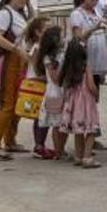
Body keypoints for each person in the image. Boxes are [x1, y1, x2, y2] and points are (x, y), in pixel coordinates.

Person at [0, 0, 33, 159]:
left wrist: (28, 4)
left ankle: (10, 141)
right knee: (8, 104)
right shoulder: (5, 14)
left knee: (17, 103)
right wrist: (17, 50)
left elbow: (33, 21)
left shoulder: (19, 13)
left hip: (20, 61)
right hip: (9, 62)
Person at [68, 0, 107, 150]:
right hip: (86, 64)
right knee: (85, 101)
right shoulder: (77, 14)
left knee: (94, 100)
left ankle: (92, 137)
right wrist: (94, 28)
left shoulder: (97, 10)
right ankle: (84, 140)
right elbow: (78, 38)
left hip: (99, 62)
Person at [59, 38, 102, 168]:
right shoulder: (86, 65)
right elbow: (90, 85)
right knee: (91, 129)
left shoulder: (68, 67)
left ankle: (78, 155)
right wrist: (96, 94)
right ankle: (87, 157)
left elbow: (64, 86)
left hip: (73, 102)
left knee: (78, 129)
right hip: (86, 101)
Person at [22, 16, 55, 160]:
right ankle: (39, 145)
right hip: (38, 83)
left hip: (43, 83)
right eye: (47, 29)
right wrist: (44, 78)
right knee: (40, 117)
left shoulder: (46, 47)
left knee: (44, 117)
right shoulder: (38, 48)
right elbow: (36, 68)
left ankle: (41, 144)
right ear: (38, 32)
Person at [35, 26, 65, 160]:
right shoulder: (49, 58)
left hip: (61, 91)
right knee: (57, 124)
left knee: (61, 124)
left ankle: (60, 150)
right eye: (62, 36)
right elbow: (55, 78)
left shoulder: (60, 54)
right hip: (55, 93)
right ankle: (58, 152)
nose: (64, 38)